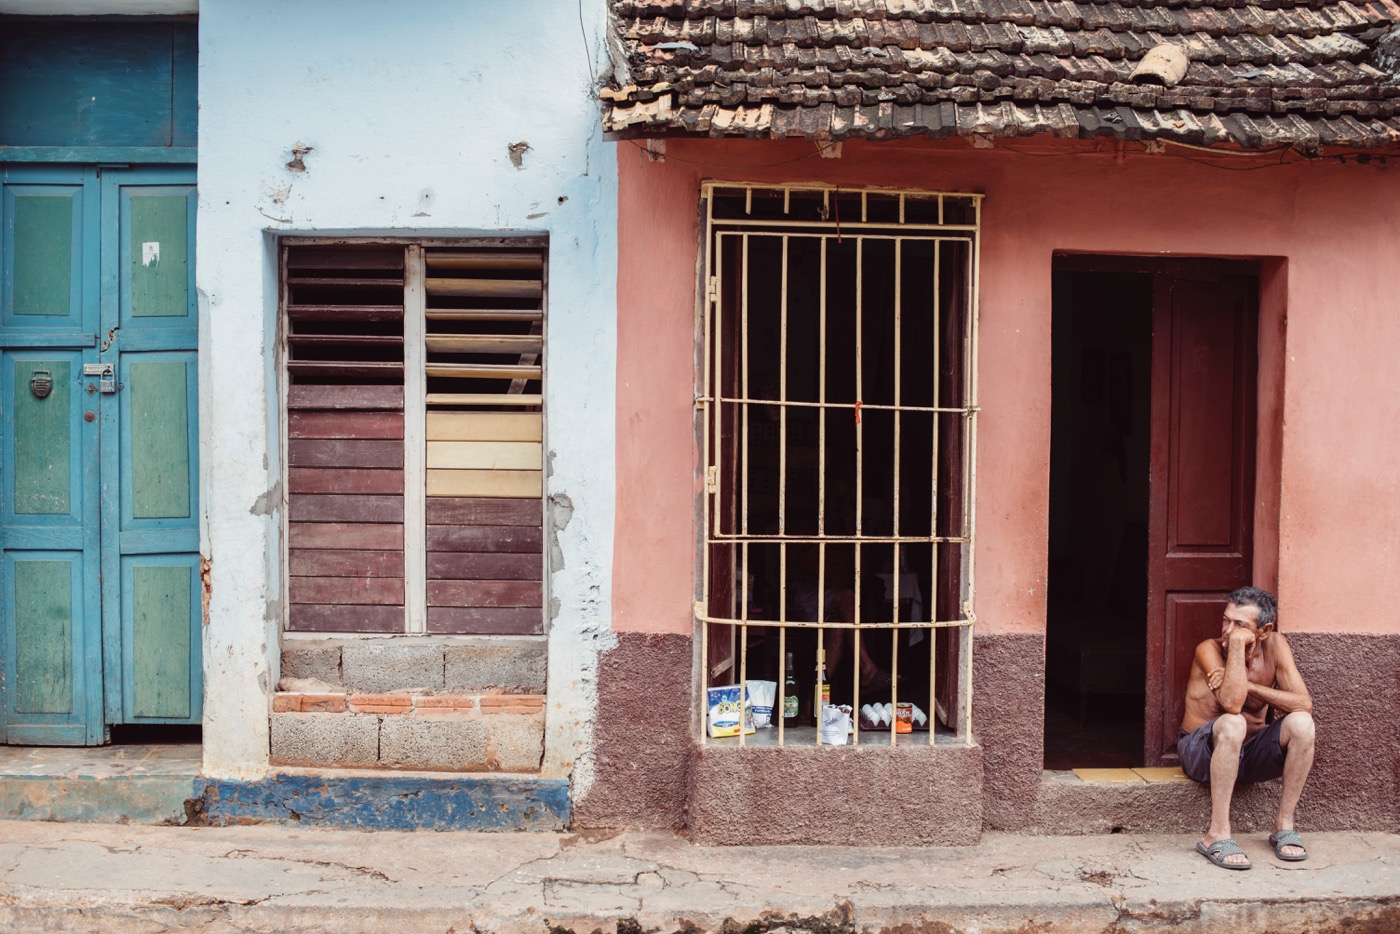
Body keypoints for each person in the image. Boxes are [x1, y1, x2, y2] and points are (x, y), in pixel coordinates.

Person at [1179, 586, 1316, 870]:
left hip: (1250, 753)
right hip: (1201, 751)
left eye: (1240, 625)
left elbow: (1303, 702)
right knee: (1234, 721)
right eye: (1226, 620)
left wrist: (1251, 685)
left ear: (1263, 630)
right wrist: (1239, 646)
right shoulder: (1209, 649)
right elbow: (1231, 703)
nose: (1228, 630)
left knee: (1302, 724)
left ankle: (1283, 825)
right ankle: (1216, 833)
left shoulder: (1275, 645)